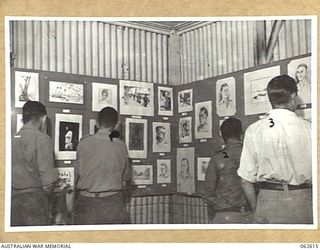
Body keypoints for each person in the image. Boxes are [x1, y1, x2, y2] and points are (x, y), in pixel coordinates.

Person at [238, 75, 312, 224]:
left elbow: (245, 180)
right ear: (293, 96)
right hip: (302, 201)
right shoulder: (309, 128)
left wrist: (255, 210)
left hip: (267, 201)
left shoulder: (254, 130)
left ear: (270, 99)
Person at [75, 107, 131, 224]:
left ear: (96, 124)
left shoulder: (83, 143)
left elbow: (77, 175)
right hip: (113, 203)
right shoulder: (121, 146)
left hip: (86, 203)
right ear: (117, 125)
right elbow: (126, 178)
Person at [11, 101, 58, 226]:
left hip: (12, 202)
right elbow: (48, 183)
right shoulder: (42, 139)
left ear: (24, 118)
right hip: (34, 203)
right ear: (43, 118)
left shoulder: (12, 138)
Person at [203, 118, 251, 224]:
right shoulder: (251, 155)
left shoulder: (218, 158)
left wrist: (223, 205)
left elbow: (208, 192)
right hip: (249, 214)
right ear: (241, 135)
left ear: (222, 138)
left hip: (224, 215)